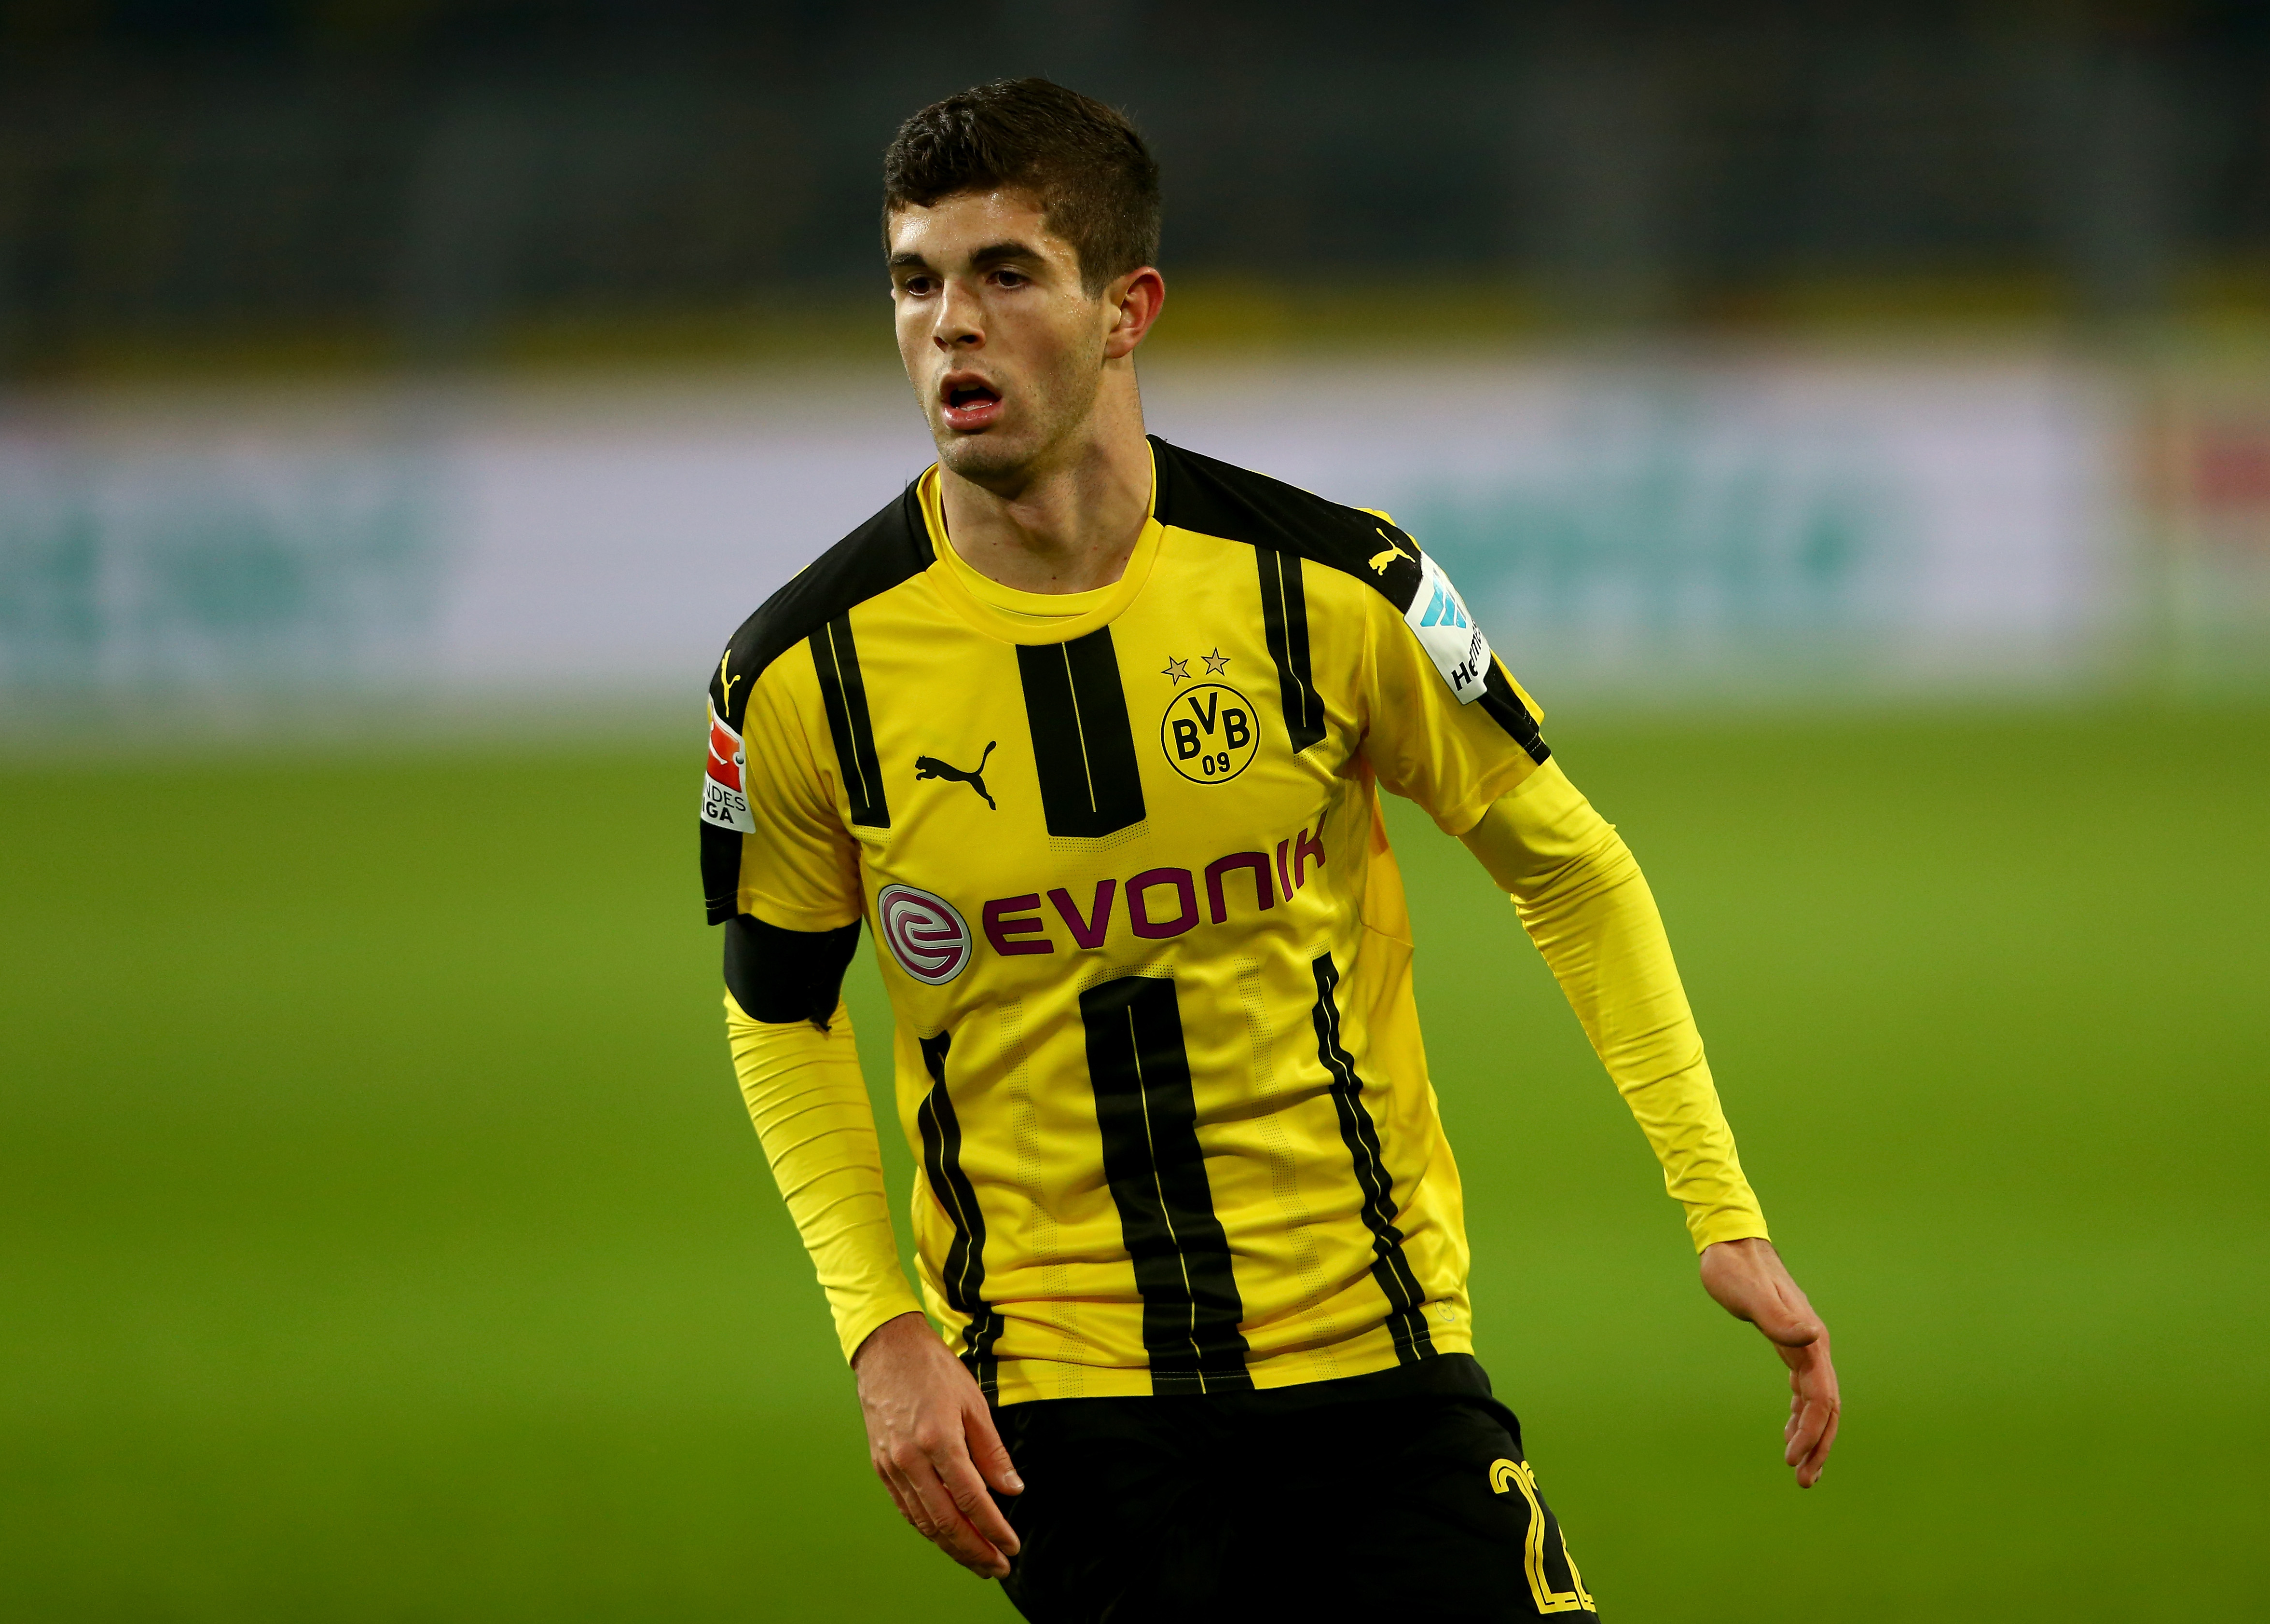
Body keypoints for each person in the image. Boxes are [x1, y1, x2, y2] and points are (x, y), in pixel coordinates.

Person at [700, 77, 1838, 1622]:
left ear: (1127, 309)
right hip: (1064, 1417)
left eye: (1003, 274)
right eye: (915, 281)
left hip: (1376, 1357)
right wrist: (878, 1331)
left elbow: (1568, 866)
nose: (947, 326)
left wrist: (1720, 1210)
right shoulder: (799, 676)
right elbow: (776, 1008)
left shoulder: (1336, 585)